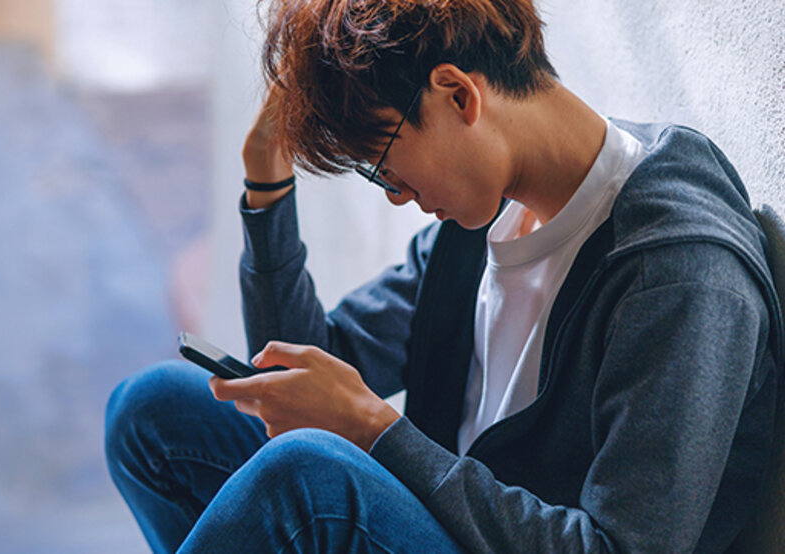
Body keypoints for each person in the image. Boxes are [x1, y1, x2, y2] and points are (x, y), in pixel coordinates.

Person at [105, 0, 784, 552]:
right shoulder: (481, 227)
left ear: (457, 95)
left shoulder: (678, 270)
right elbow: (302, 377)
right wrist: (266, 183)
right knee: (154, 408)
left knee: (307, 483)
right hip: (445, 527)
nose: (397, 196)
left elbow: (617, 547)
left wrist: (376, 430)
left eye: (386, 167)